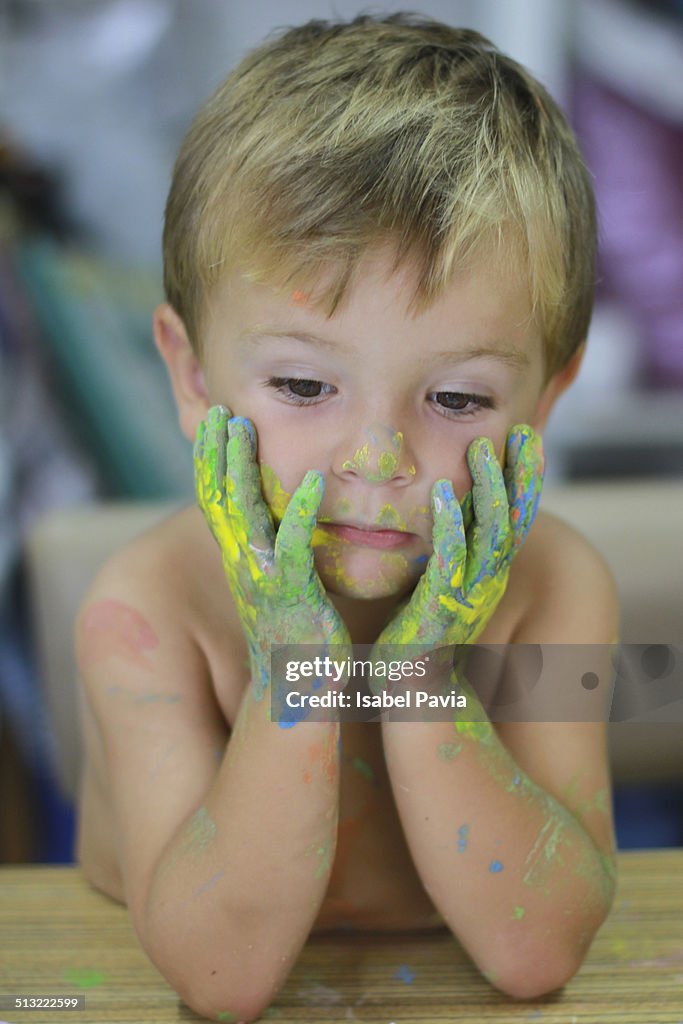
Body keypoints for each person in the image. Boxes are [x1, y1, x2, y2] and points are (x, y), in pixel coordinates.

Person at [74, 14, 619, 1021]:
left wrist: (420, 679)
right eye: (301, 384)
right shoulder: (147, 610)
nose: (377, 457)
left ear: (543, 401)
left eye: (455, 399)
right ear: (192, 376)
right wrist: (296, 662)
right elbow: (218, 977)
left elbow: (539, 946)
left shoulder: (555, 591)